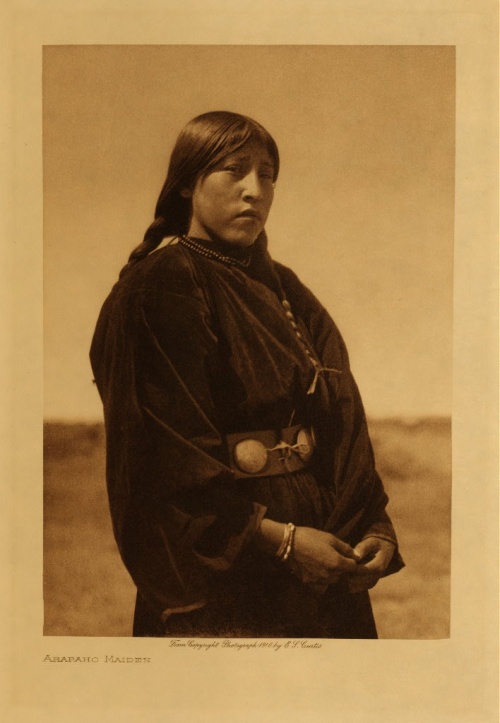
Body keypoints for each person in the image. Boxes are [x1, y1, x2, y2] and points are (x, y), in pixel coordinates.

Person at [90, 110, 404, 639]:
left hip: (325, 545)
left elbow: (342, 416)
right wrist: (282, 541)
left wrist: (372, 523)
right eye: (234, 171)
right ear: (187, 182)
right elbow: (162, 458)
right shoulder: (158, 288)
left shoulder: (286, 289)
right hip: (230, 560)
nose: (255, 190)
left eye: (267, 175)